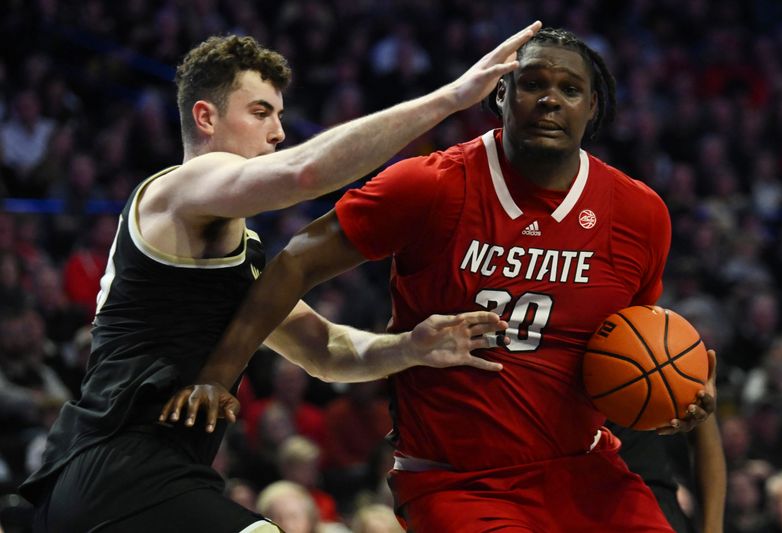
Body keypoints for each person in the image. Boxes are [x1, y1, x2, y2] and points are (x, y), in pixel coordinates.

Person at [163, 27, 720, 531]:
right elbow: (297, 260)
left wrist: (666, 404)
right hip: (457, 480)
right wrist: (217, 373)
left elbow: (635, 346)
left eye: (570, 89)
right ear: (500, 95)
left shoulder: (639, 214)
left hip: (584, 470)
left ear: (592, 106)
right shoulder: (432, 185)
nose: (550, 99)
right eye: (531, 83)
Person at [17, 23, 542, 532]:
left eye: (279, 114)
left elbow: (326, 351)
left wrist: (412, 346)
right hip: (121, 471)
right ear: (205, 117)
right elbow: (305, 172)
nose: (278, 132)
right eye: (260, 112)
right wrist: (450, 98)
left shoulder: (232, 250)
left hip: (128, 478)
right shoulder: (180, 187)